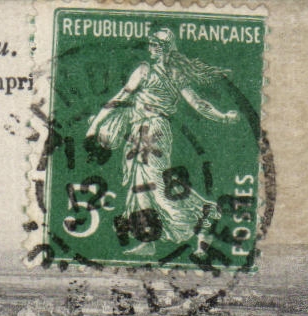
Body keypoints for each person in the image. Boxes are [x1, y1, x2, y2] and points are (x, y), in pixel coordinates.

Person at [86, 28, 241, 253]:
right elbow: (121, 98)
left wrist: (223, 118)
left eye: (156, 45)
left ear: (166, 49)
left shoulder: (157, 72)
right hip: (141, 130)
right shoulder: (149, 70)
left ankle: (204, 212)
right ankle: (149, 241)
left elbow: (198, 104)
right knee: (140, 187)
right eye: (150, 44)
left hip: (153, 131)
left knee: (154, 185)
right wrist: (96, 124)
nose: (151, 49)